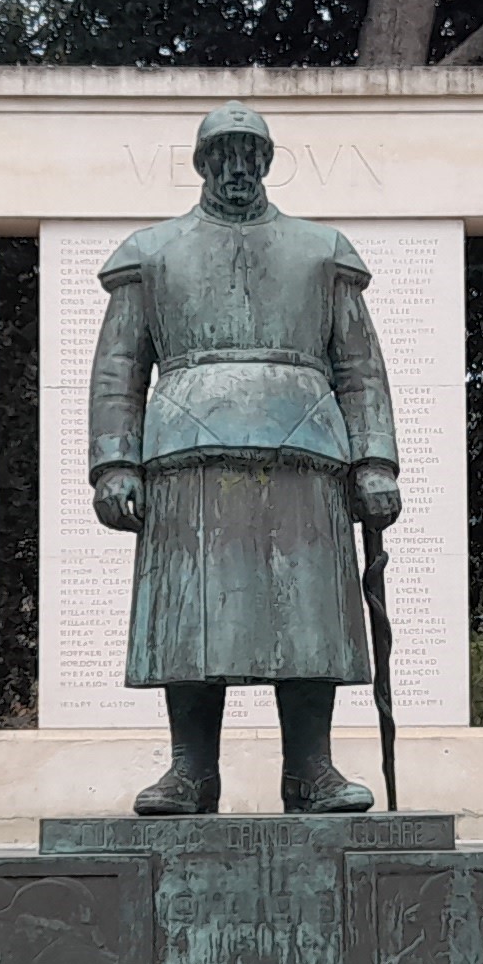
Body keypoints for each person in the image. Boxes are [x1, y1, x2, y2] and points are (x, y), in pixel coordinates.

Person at [87, 103, 402, 813]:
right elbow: (119, 368)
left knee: (309, 619)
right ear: (201, 163)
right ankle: (191, 771)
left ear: (266, 161)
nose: (235, 170)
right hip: (186, 458)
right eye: (221, 156)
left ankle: (311, 770)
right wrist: (114, 463)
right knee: (191, 621)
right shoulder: (154, 251)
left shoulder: (322, 251)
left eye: (248, 155)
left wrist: (375, 460)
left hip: (307, 454)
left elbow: (359, 367)